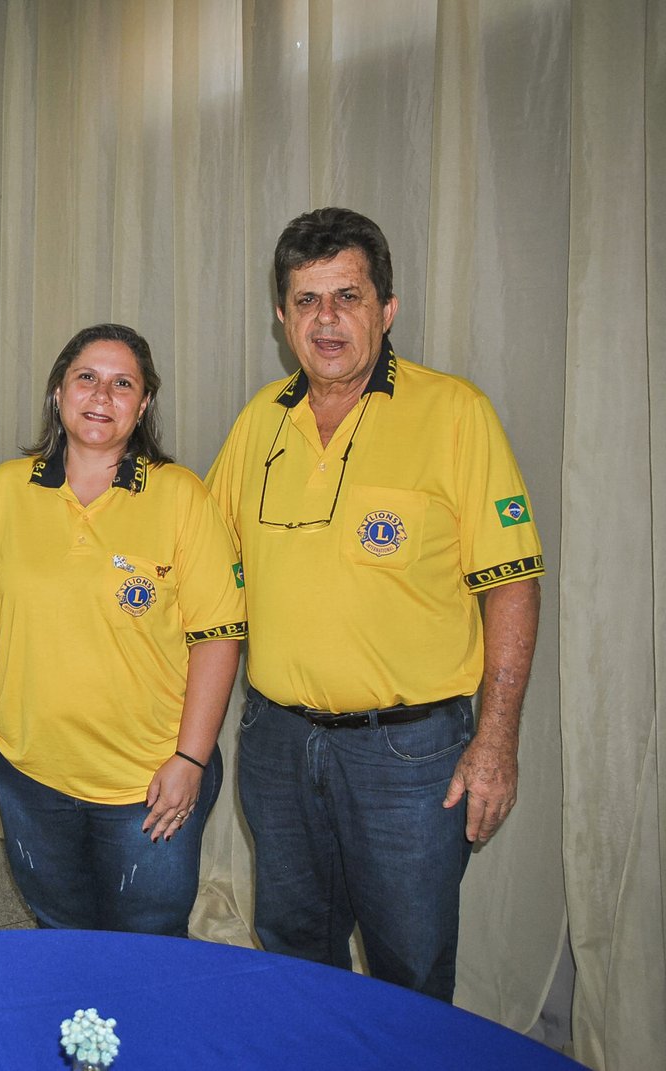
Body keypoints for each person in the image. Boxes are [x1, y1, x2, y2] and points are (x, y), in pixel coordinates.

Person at [205, 206, 543, 1001]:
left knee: (410, 967)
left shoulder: (455, 413)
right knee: (293, 951)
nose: (326, 319)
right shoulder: (259, 422)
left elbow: (512, 583)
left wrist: (496, 740)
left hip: (410, 755)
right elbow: (201, 562)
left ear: (386, 309)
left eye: (347, 297)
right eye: (306, 300)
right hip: (277, 741)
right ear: (282, 316)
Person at [0, 323, 245, 935]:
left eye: (122, 384)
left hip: (148, 780)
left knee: (148, 942)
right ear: (59, 392)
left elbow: (218, 636)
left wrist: (191, 758)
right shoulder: (6, 489)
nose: (102, 396)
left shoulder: (182, 497)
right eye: (87, 378)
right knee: (61, 930)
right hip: (29, 770)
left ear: (144, 404)